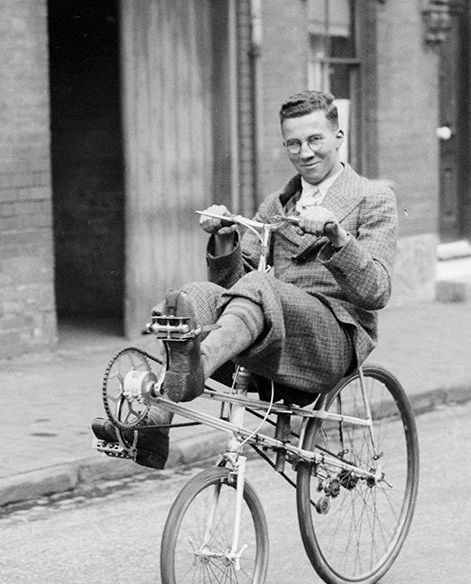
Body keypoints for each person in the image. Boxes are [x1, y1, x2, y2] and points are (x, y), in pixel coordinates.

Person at [93, 89, 398, 470]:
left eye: (315, 140)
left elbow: (377, 291)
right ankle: (155, 422)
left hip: (331, 340)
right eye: (294, 143)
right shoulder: (276, 206)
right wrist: (224, 236)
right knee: (194, 294)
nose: (305, 153)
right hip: (276, 337)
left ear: (338, 137)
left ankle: (189, 371)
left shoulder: (374, 198)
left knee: (259, 289)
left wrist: (338, 237)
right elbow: (234, 287)